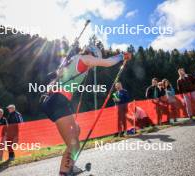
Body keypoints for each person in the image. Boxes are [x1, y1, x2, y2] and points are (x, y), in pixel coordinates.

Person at [41, 45, 131, 176]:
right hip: (58, 102)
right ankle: (64, 172)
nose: (93, 66)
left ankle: (71, 165)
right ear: (93, 54)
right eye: (95, 61)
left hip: (55, 101)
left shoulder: (71, 60)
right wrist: (122, 56)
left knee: (76, 131)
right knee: (74, 145)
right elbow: (107, 62)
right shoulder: (85, 58)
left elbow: (56, 78)